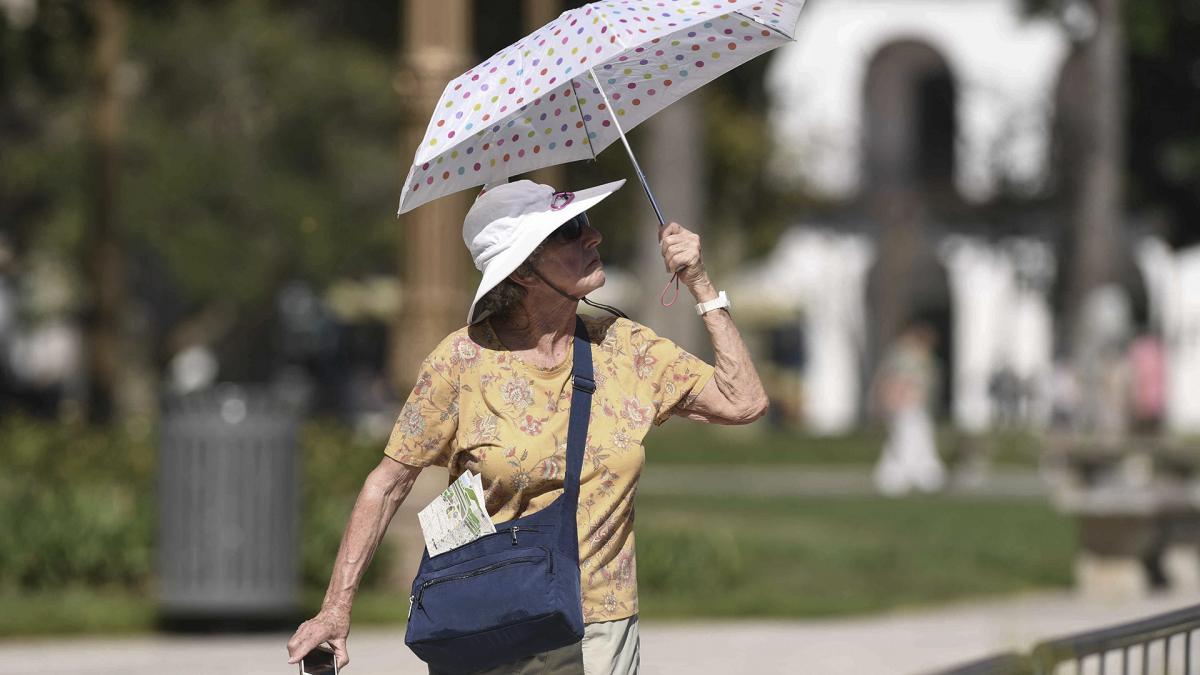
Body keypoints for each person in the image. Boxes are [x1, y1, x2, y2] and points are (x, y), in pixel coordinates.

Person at [286, 179, 768, 673]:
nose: (594, 236)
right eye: (570, 230)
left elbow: (744, 401)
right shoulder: (461, 362)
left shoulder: (628, 350)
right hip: (490, 624)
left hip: (598, 631)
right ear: (522, 271)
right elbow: (387, 485)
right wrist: (335, 610)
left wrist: (701, 285)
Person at [870, 322, 945, 496]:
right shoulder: (902, 356)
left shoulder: (919, 356)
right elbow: (894, 381)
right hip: (905, 405)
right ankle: (898, 477)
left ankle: (921, 475)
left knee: (916, 439)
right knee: (905, 440)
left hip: (915, 405)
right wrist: (894, 399)